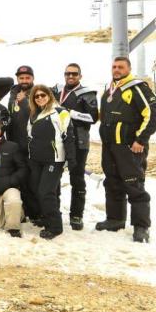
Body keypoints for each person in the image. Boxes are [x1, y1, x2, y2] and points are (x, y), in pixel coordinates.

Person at [96, 56, 156, 243]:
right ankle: (115, 220)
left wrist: (141, 140)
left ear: (129, 69)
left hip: (130, 148)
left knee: (134, 184)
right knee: (112, 182)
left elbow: (154, 115)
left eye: (121, 67)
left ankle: (141, 227)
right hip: (110, 147)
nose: (116, 70)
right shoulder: (110, 89)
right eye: (114, 66)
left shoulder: (137, 87)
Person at [51, 63, 99, 230]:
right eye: (68, 73)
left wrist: (70, 113)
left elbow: (93, 118)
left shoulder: (87, 93)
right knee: (53, 178)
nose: (70, 76)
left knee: (77, 179)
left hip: (79, 141)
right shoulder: (57, 90)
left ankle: (76, 215)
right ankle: (53, 213)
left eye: (74, 74)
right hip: (57, 140)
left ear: (80, 76)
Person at [27, 85, 75, 240]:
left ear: (49, 95)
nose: (40, 98)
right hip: (36, 160)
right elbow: (30, 136)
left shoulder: (60, 112)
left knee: (46, 192)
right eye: (36, 96)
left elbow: (68, 135)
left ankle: (55, 227)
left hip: (53, 160)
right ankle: (46, 218)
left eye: (43, 95)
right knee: (37, 190)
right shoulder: (34, 114)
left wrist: (71, 158)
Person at [7, 65, 37, 219]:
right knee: (20, 180)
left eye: (27, 77)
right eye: (21, 78)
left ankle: (36, 213)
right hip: (15, 145)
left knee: (33, 180)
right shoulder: (13, 92)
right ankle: (23, 211)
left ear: (33, 78)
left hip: (32, 146)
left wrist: (25, 101)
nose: (24, 80)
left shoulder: (38, 93)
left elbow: (36, 115)